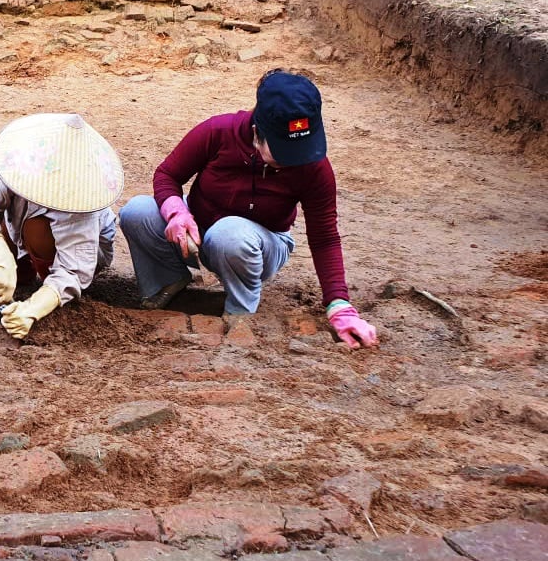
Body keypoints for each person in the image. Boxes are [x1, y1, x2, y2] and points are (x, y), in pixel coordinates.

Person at [118, 69, 378, 350]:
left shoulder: (315, 168)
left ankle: (240, 311)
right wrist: (177, 212)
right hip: (197, 231)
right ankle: (167, 283)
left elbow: (324, 237)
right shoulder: (218, 132)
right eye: (283, 154)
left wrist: (339, 306)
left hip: (258, 246)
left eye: (302, 151)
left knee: (231, 233)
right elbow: (167, 175)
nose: (294, 162)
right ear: (257, 134)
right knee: (137, 211)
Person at [0, 112, 123, 339]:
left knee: (35, 228)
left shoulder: (81, 201)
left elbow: (73, 271)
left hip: (77, 254)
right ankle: (19, 274)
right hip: (21, 232)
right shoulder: (20, 165)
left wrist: (34, 309)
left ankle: (44, 284)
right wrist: (1, 259)